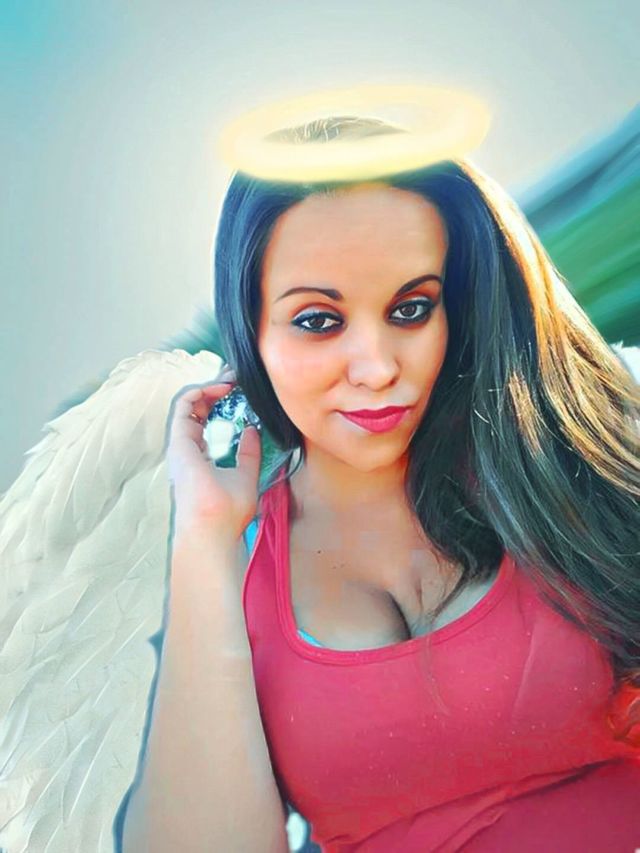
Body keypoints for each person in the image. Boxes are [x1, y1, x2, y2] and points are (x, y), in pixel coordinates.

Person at [120, 112, 640, 852]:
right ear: (251, 334)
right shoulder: (232, 567)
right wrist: (203, 537)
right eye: (318, 320)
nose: (377, 367)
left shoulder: (565, 467)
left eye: (411, 309)